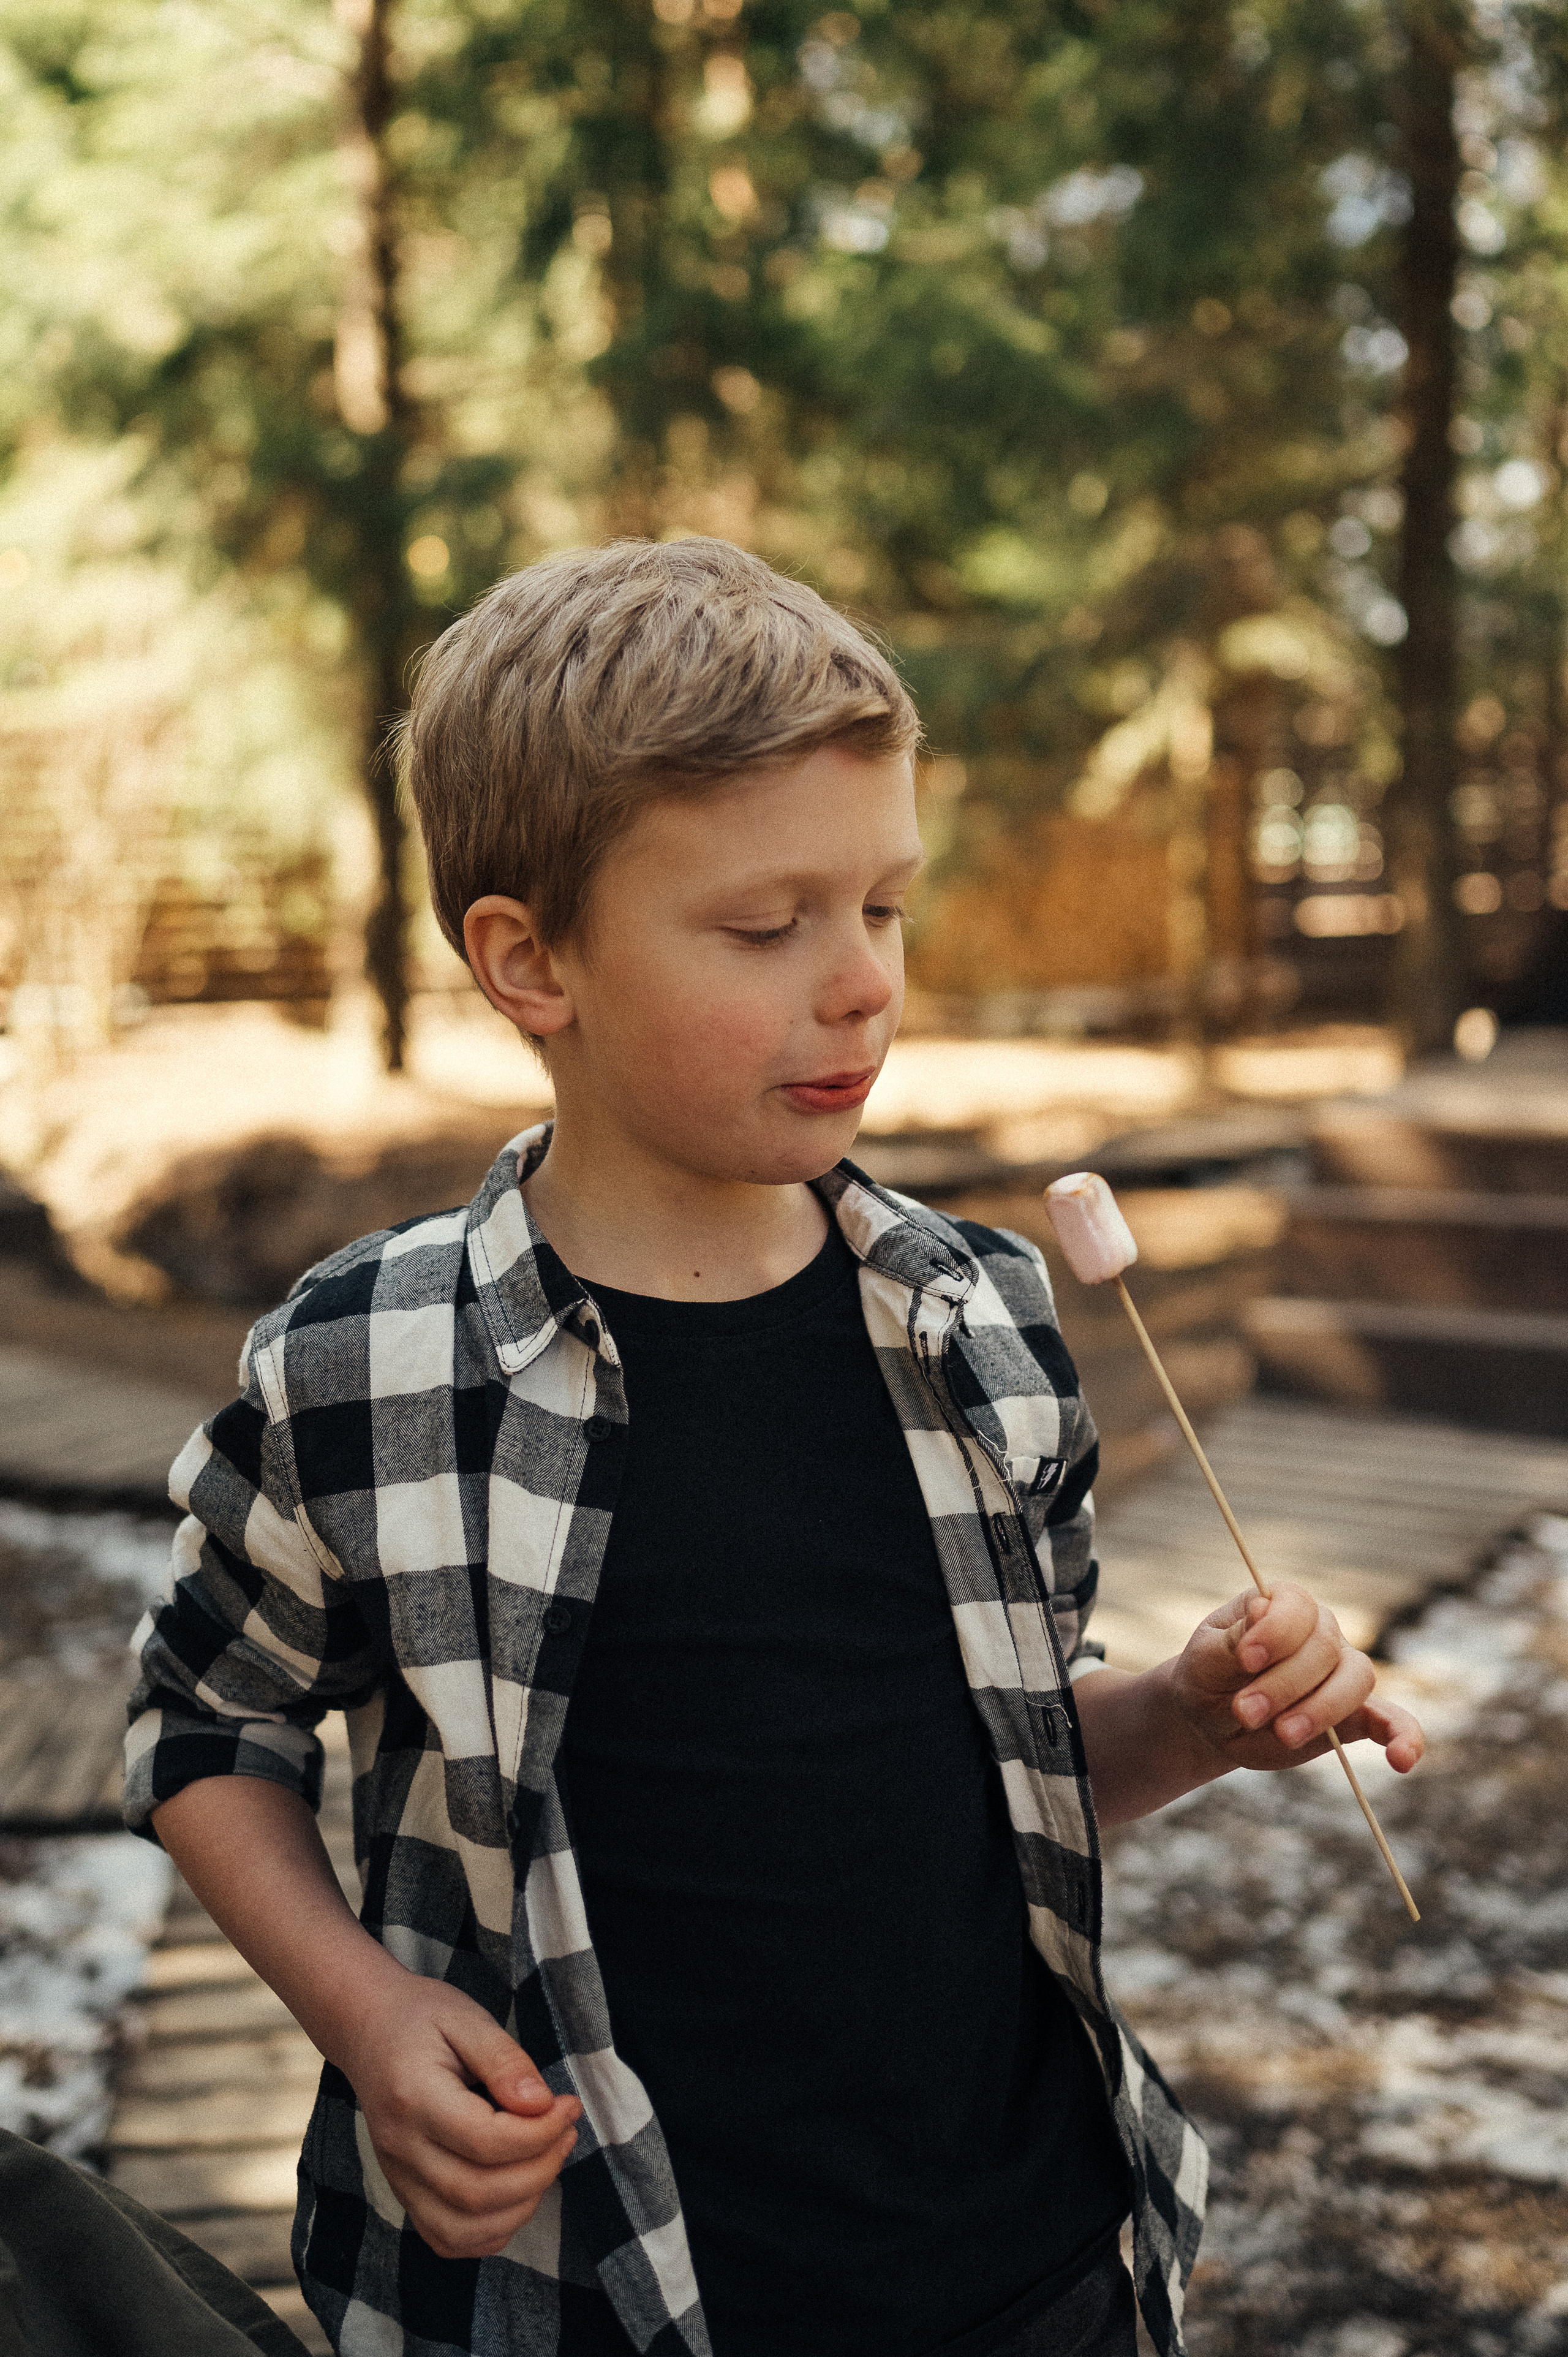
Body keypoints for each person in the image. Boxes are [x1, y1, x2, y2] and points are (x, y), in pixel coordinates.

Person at [124, 538, 1423, 2357]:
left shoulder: (987, 1327)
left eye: (883, 908)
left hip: (1035, 2270)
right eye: (767, 927)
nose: (861, 984)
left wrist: (1193, 1722)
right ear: (529, 961)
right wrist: (358, 2007)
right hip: (586, 2293)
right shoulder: (364, 1364)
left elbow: (1015, 1762)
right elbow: (208, 1723)